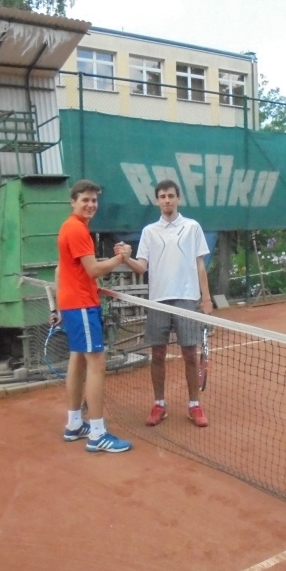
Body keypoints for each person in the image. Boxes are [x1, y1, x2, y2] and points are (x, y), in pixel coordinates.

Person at [116, 179, 213, 428]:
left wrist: (207, 299)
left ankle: (194, 405)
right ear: (157, 200)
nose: (167, 200)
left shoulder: (192, 227)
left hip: (187, 298)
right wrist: (125, 259)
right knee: (157, 354)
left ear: (178, 198)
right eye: (162, 196)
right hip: (158, 300)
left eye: (171, 195)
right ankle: (159, 404)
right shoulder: (149, 232)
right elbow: (141, 266)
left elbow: (200, 265)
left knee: (190, 354)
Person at [55, 179, 132, 453]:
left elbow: (63, 270)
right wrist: (121, 258)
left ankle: (75, 424)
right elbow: (94, 270)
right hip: (81, 306)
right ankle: (97, 434)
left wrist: (59, 306)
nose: (90, 205)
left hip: (73, 303)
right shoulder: (76, 229)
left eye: (94, 200)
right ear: (73, 201)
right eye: (85, 200)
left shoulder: (71, 227)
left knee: (77, 359)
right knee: (97, 364)